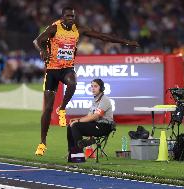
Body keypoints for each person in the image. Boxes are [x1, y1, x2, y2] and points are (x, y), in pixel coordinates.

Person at [34, 6, 138, 156]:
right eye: (68, 16)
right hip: (52, 70)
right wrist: (43, 51)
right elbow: (37, 41)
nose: (71, 19)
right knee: (48, 108)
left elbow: (102, 36)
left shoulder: (79, 29)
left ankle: (62, 108)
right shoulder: (54, 28)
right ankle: (42, 142)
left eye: (73, 16)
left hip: (67, 69)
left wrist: (126, 42)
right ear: (63, 17)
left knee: (73, 83)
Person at [67, 78, 114, 163]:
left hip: (104, 127)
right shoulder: (95, 100)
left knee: (75, 126)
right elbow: (89, 116)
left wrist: (77, 122)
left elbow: (95, 116)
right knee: (70, 126)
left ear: (101, 88)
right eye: (92, 86)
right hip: (96, 125)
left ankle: (79, 156)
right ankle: (72, 154)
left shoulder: (104, 100)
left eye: (95, 86)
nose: (93, 88)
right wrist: (77, 119)